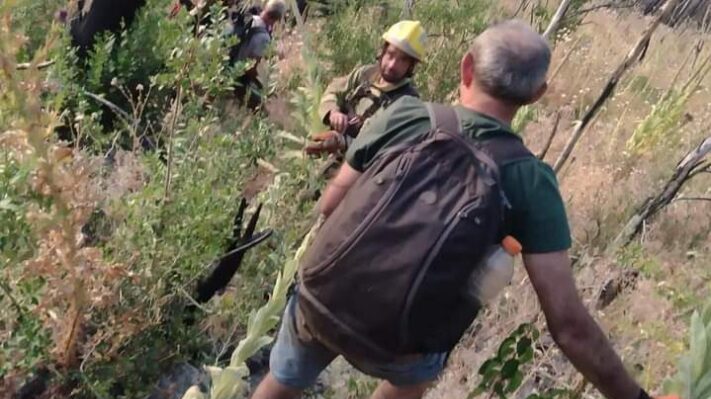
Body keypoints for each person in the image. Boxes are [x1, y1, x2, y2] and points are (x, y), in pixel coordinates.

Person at [251, 20, 679, 399]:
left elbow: (330, 205)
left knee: (283, 379)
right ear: (536, 94)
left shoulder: (404, 115)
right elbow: (568, 325)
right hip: (406, 342)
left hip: (326, 296)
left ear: (466, 68)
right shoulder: (532, 182)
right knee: (412, 373)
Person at [304, 20, 425, 157]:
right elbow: (334, 90)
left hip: (361, 172)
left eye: (402, 60)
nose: (392, 65)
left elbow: (386, 151)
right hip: (330, 154)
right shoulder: (365, 74)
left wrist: (343, 142)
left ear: (411, 66)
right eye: (390, 54)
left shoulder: (407, 103)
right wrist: (333, 113)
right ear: (383, 51)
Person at [230, 0, 287, 109]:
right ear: (277, 19)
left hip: (229, 63)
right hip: (237, 76)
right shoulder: (263, 37)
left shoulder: (251, 19)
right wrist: (261, 82)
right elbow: (251, 68)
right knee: (261, 107)